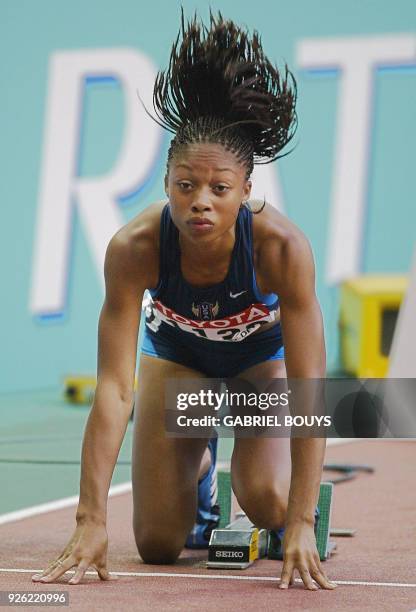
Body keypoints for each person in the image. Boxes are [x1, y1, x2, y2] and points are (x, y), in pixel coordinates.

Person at [32, 12, 336, 591]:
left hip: (259, 367)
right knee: (157, 545)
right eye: (185, 186)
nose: (201, 202)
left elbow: (308, 390)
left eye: (220, 189)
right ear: (166, 180)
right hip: (179, 364)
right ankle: (197, 469)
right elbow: (117, 389)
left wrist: (298, 522)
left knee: (267, 499)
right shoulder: (135, 249)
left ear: (246, 191)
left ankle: (279, 501)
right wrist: (91, 518)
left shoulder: (282, 250)